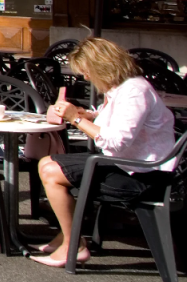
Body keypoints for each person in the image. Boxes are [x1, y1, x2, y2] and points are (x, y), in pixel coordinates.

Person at [31, 38, 178, 267]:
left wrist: (76, 119)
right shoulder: (124, 88)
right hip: (129, 164)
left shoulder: (134, 92)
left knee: (51, 172)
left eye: (87, 71)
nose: (86, 77)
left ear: (103, 66)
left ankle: (73, 245)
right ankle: (69, 235)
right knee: (47, 163)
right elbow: (117, 118)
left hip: (144, 176)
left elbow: (116, 142)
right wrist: (90, 115)